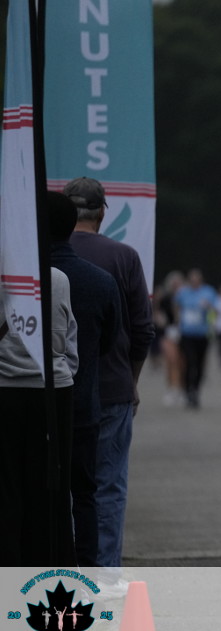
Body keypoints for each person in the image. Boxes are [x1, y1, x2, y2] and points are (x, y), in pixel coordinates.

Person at [65, 176, 154, 594]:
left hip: (56, 389)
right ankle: (104, 573)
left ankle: (65, 567)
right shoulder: (124, 257)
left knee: (62, 484)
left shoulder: (44, 256)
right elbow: (142, 329)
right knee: (108, 484)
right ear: (103, 211)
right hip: (112, 387)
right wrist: (132, 380)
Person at [48, 191, 122, 567]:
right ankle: (88, 570)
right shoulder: (101, 281)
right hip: (83, 401)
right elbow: (110, 341)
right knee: (85, 493)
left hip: (30, 402)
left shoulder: (23, 281)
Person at [0, 265, 78, 565]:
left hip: (4, 388)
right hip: (53, 390)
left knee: (7, 488)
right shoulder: (58, 278)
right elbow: (68, 340)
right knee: (50, 487)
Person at [174, 268, 217, 408]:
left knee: (199, 364)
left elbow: (215, 311)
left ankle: (196, 390)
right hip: (187, 334)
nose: (194, 281)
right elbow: (177, 307)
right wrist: (177, 322)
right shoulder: (183, 292)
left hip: (202, 334)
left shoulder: (208, 292)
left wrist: (208, 308)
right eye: (192, 279)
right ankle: (188, 390)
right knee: (189, 362)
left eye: (196, 279)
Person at [157, 270, 186, 407]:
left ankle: (181, 388)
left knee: (182, 362)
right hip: (169, 331)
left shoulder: (186, 297)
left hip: (184, 332)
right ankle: (172, 388)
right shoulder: (165, 298)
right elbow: (157, 312)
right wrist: (160, 320)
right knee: (171, 361)